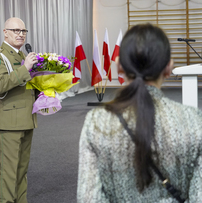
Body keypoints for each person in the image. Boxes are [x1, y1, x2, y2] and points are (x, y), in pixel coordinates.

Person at [77, 24, 202, 202]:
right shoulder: (194, 121)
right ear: (169, 67)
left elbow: (89, 198)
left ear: (119, 67)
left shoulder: (97, 122)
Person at [0, 17, 38, 203]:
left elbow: (26, 86)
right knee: (9, 171)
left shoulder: (22, 55)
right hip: (9, 122)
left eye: (23, 31)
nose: (20, 34)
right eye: (16, 30)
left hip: (26, 118)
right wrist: (25, 68)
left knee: (22, 169)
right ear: (5, 32)